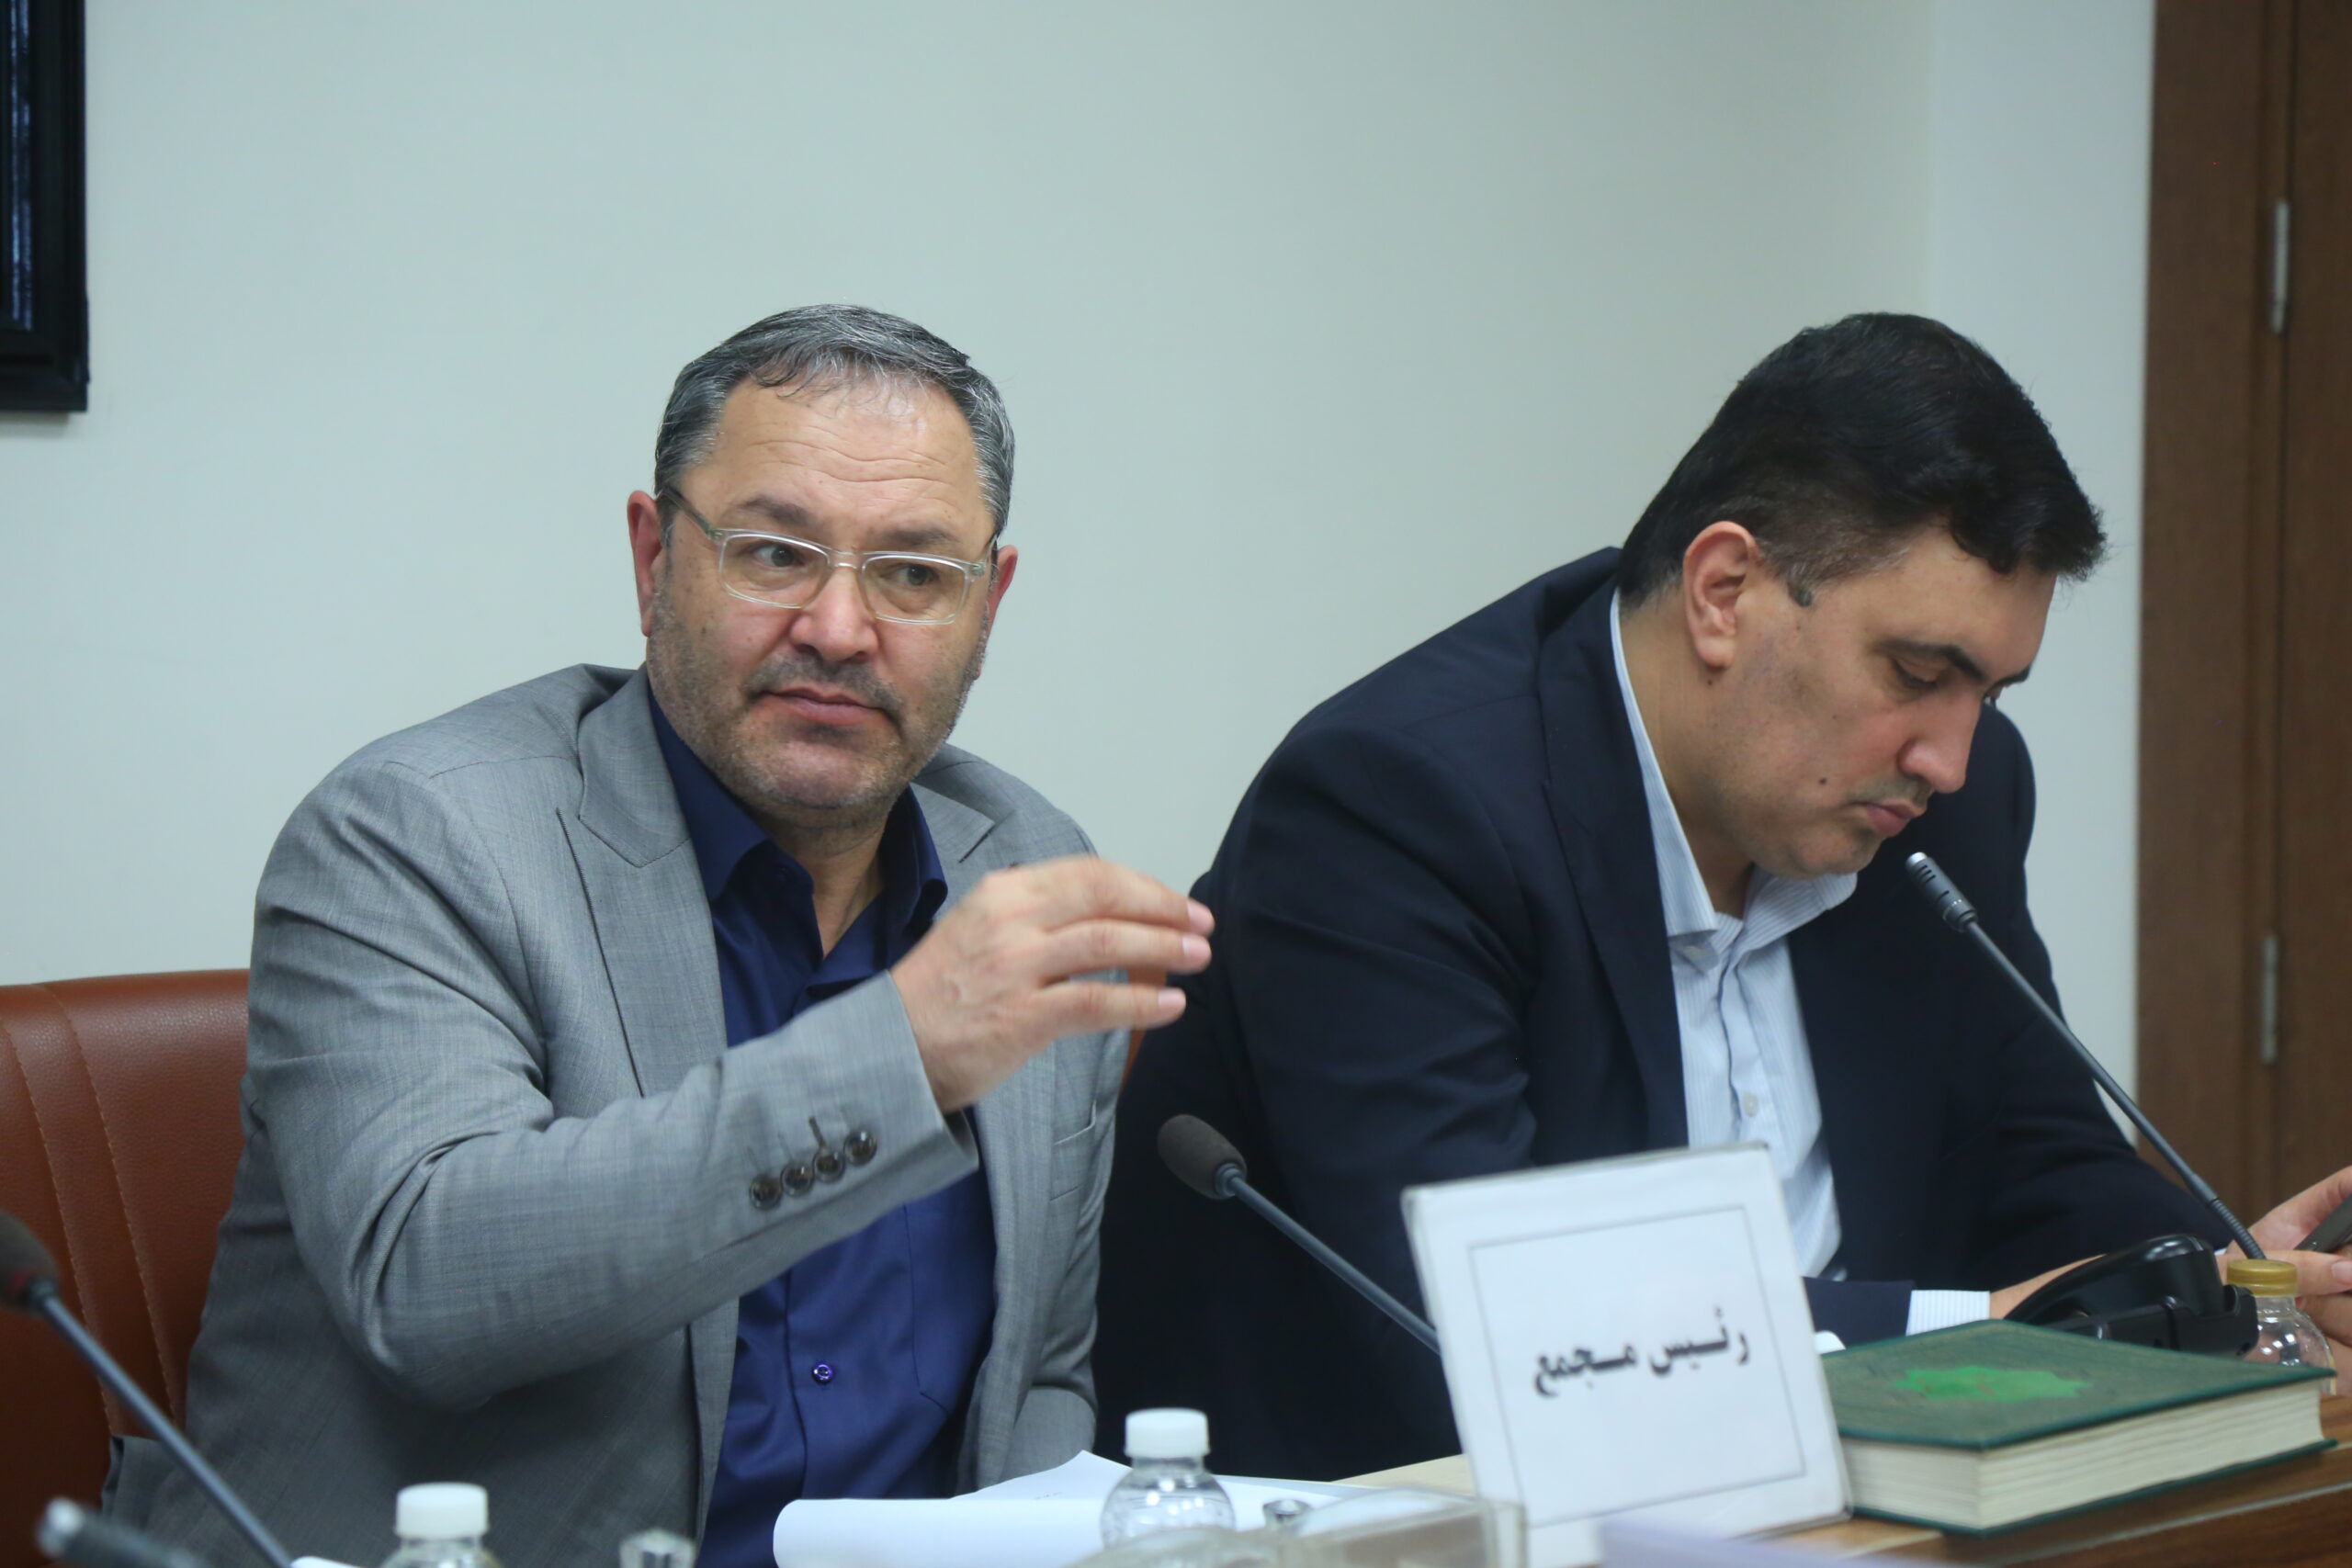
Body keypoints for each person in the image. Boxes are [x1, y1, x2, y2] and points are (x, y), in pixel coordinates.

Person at [1095, 313, 2352, 1482]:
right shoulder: (1399, 810)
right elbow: (1499, 1337)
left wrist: (2230, 1287)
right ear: (1724, 594)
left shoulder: (1939, 807)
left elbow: (2035, 1158)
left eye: (1989, 694)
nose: (1952, 758)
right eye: (1918, 672)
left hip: (1852, 1512)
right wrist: (1982, 1329)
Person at [108, 306, 1213, 1568]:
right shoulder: (417, 834)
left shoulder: (1022, 866)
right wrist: (898, 1059)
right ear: (653, 560)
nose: (840, 628)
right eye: (774, 553)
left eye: (914, 573)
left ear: (988, 602)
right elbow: (429, 1285)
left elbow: (1035, 1388)